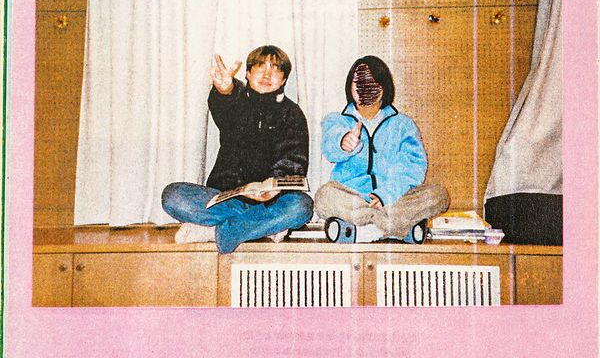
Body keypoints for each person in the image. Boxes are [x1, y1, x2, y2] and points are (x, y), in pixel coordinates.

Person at [162, 45, 313, 253]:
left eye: (275, 69)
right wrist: (224, 90)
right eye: (260, 67)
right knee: (172, 196)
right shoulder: (239, 100)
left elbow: (294, 160)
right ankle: (261, 227)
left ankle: (216, 232)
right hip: (226, 200)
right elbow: (225, 105)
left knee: (301, 206)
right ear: (248, 74)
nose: (267, 74)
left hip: (270, 202)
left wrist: (273, 188)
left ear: (284, 80)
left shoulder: (292, 113)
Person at [315, 55, 448, 243]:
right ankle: (396, 228)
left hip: (394, 199)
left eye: (372, 82)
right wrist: (344, 141)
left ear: (384, 86)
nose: (365, 88)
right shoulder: (337, 120)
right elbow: (330, 145)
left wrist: (385, 196)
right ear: (350, 86)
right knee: (324, 196)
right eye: (359, 82)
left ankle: (365, 230)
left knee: (439, 195)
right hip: (353, 199)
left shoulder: (403, 124)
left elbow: (412, 168)